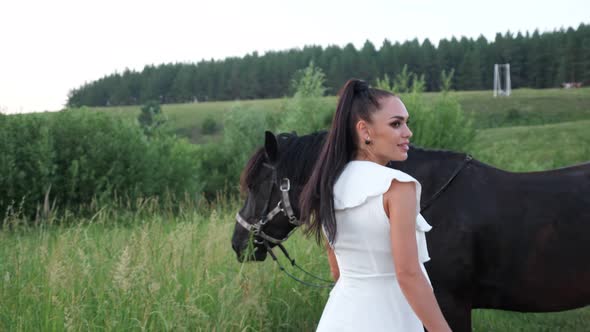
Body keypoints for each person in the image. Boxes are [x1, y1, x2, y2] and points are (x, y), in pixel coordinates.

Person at [299, 79, 451, 332]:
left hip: (338, 318)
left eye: (406, 122)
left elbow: (337, 271)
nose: (408, 132)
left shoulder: (327, 184)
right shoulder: (397, 185)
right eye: (396, 124)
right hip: (389, 318)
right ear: (364, 130)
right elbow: (409, 274)